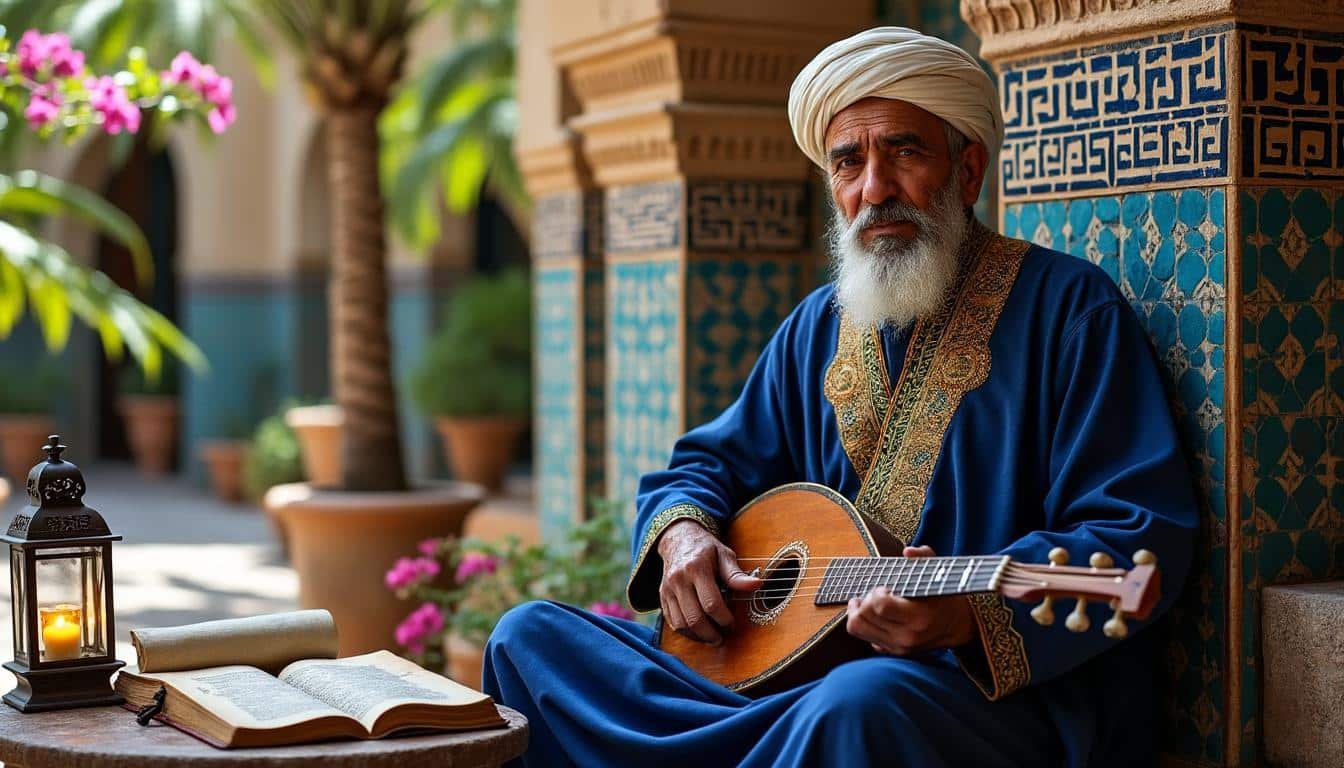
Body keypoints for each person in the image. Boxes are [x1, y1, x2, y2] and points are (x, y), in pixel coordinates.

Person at [483, 26, 1198, 767]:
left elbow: (1132, 531)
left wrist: (964, 616)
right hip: (784, 679)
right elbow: (706, 464)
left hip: (970, 701)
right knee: (527, 639)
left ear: (969, 167)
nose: (874, 189)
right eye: (849, 161)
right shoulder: (815, 328)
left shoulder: (1070, 311)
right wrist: (683, 537)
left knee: (855, 709)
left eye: (905, 151)